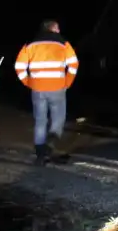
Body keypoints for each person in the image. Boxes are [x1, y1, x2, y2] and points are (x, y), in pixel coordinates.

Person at [14, 19, 79, 165]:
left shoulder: (30, 44)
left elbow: (19, 66)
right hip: (57, 87)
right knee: (58, 119)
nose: (59, 31)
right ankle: (49, 145)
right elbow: (74, 64)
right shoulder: (63, 43)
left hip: (37, 88)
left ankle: (40, 154)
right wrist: (67, 81)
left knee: (40, 120)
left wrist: (28, 82)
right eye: (58, 28)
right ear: (53, 29)